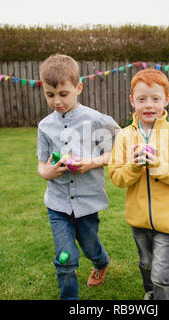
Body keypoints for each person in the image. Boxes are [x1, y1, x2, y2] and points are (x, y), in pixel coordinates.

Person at [36, 54, 120, 300]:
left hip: (87, 202)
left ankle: (101, 262)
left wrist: (91, 163)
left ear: (78, 87)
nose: (56, 101)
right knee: (66, 258)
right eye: (50, 95)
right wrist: (48, 172)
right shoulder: (44, 126)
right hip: (58, 204)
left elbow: (119, 150)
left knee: (90, 246)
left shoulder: (96, 120)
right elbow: (41, 166)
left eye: (63, 94)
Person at [108, 68, 169, 300]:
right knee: (146, 263)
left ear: (166, 99)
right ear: (132, 101)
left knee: (160, 275)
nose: (149, 105)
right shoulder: (125, 136)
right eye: (142, 99)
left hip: (168, 221)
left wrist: (159, 166)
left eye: (155, 98)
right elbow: (117, 177)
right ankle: (150, 292)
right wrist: (135, 167)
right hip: (139, 220)